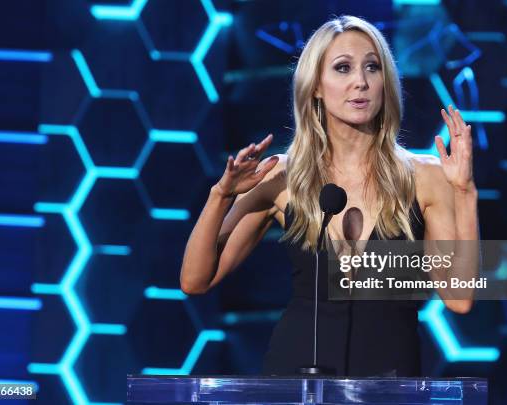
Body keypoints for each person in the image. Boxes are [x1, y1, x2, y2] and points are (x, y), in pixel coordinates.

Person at [179, 15, 478, 377]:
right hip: (298, 375)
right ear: (316, 86)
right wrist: (220, 196)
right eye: (343, 68)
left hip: (388, 381)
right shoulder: (282, 176)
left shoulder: (425, 176)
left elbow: (459, 298)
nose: (361, 82)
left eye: (372, 67)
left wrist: (464, 192)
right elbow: (195, 280)